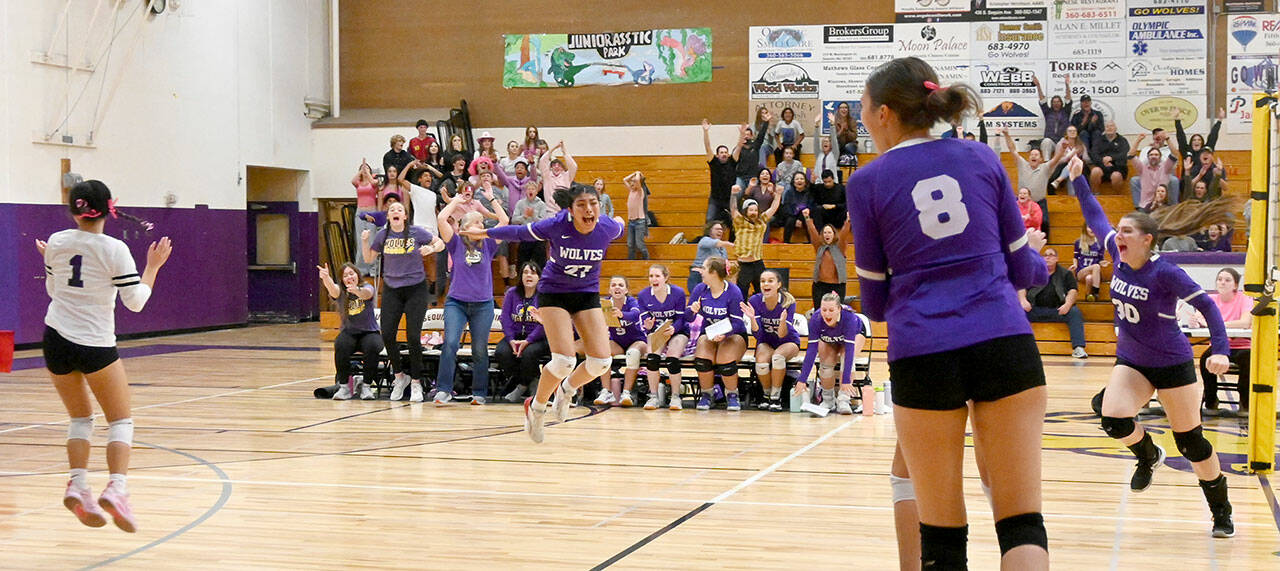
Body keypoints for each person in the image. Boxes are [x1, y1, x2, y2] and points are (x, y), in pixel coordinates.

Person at [848, 57, 1051, 569]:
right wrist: (1036, 261)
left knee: (941, 536)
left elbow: (874, 303)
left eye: (865, 110)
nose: (864, 119)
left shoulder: (867, 182)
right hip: (1003, 339)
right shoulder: (981, 158)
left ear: (887, 113)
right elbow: (1022, 269)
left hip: (923, 351)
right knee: (1022, 523)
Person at [1069, 154, 1236, 537]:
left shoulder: (1166, 272)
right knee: (1112, 418)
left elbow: (1208, 307)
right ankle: (1148, 454)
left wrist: (1222, 348)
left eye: (1127, 231)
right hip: (1132, 360)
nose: (1118, 235)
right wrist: (1079, 180)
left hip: (1172, 363)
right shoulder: (1118, 251)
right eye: (1120, 230)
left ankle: (1221, 510)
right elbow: (1095, 216)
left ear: (1147, 240)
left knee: (1191, 443)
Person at [37, 180, 171, 533]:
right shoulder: (115, 249)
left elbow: (53, 288)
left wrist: (52, 259)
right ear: (110, 207)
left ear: (72, 209)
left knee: (81, 418)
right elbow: (136, 301)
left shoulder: (56, 242)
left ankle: (78, 485)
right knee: (120, 420)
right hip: (93, 343)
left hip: (55, 339)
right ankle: (117, 488)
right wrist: (153, 266)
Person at [466, 184, 624, 442]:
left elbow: (620, 222)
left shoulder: (608, 227)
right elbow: (518, 233)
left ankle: (568, 388)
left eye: (593, 203)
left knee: (601, 362)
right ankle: (536, 408)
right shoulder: (557, 225)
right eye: (581, 205)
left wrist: (620, 216)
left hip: (586, 293)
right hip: (554, 292)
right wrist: (483, 232)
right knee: (563, 361)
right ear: (570, 210)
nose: (589, 210)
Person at [361, 201, 444, 403]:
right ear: (388, 216)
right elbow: (369, 258)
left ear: (405, 216)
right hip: (391, 289)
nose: (395, 212)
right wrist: (365, 241)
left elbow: (440, 242)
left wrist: (431, 249)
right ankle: (400, 376)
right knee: (387, 334)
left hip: (415, 289)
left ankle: (416, 381)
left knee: (413, 336)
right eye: (392, 210)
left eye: (399, 209)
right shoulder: (382, 235)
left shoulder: (416, 232)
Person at [433, 187, 508, 405]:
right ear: (465, 227)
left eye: (482, 224)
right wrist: (456, 200)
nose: (482, 227)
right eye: (478, 223)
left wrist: (491, 197)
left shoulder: (489, 245)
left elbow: (504, 220)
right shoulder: (455, 242)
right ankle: (443, 390)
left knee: (479, 348)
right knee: (450, 343)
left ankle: (479, 392)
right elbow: (441, 218)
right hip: (456, 303)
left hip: (483, 305)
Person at [1183, 268, 1253, 411]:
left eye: (1227, 280)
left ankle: (1245, 402)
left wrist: (1216, 323)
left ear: (1235, 285)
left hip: (1241, 345)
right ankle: (1211, 400)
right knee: (1204, 359)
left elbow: (1245, 322)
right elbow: (1200, 320)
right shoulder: (1210, 300)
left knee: (1248, 360)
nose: (1222, 283)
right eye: (1220, 279)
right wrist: (1194, 322)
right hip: (1218, 346)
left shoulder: (1245, 299)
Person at [686, 257, 748, 411]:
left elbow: (738, 322)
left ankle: (732, 395)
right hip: (709, 333)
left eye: (704, 268)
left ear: (713, 272)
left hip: (733, 334)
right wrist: (692, 311)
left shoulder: (733, 291)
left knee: (724, 360)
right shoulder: (700, 289)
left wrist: (725, 335)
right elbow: (687, 318)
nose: (701, 272)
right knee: (702, 359)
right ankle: (707, 394)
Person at [794, 293, 868, 415]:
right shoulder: (816, 319)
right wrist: (802, 379)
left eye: (831, 310)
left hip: (855, 334)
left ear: (839, 309)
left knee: (846, 357)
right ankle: (828, 400)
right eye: (824, 310)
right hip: (829, 337)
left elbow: (849, 351)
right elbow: (811, 351)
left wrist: (845, 381)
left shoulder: (849, 318)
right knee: (826, 364)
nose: (827, 314)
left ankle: (844, 400)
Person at [319, 263, 382, 400]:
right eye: (345, 275)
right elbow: (333, 289)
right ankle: (344, 387)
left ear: (357, 275)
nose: (349, 277)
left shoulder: (366, 287)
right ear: (342, 280)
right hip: (349, 332)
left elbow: (367, 294)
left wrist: (356, 291)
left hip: (369, 332)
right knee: (340, 345)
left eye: (351, 274)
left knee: (372, 347)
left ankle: (366, 386)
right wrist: (326, 278)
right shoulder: (341, 292)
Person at [742, 270, 800, 412]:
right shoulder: (755, 301)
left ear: (779, 284)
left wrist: (782, 322)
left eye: (770, 280)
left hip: (788, 340)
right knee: (761, 361)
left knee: (778, 357)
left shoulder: (788, 301)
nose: (765, 284)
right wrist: (752, 318)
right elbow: (757, 334)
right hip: (766, 340)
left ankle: (776, 397)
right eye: (763, 281)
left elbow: (782, 334)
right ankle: (766, 394)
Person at [1018, 248, 1088, 359]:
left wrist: (1067, 305)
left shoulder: (1066, 273)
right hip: (1034, 309)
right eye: (1045, 255)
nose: (1047, 257)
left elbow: (1073, 291)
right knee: (1017, 312)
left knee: (1074, 312)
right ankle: (1017, 349)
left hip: (1058, 310)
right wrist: (1023, 301)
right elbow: (1021, 287)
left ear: (1057, 258)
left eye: (1051, 255)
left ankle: (1078, 348)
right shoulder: (1033, 272)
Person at [637, 265, 689, 410]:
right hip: (657, 331)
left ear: (665, 278)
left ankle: (675, 396)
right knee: (652, 358)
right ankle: (653, 396)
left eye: (657, 276)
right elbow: (645, 320)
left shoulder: (677, 293)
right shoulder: (643, 295)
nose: (653, 279)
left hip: (677, 331)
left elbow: (681, 318)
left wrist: (674, 329)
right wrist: (648, 326)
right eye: (651, 276)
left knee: (672, 359)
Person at [498, 262, 550, 403]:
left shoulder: (544, 295)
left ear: (539, 277)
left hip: (537, 338)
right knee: (502, 352)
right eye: (526, 272)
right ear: (520, 276)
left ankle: (522, 386)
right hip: (515, 336)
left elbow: (544, 323)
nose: (529, 276)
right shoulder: (512, 293)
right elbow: (505, 318)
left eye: (533, 273)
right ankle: (531, 380)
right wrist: (511, 340)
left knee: (529, 353)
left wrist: (528, 341)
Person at [596, 276, 648, 407]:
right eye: (613, 285)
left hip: (637, 340)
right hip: (617, 342)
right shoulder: (605, 304)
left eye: (620, 285)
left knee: (633, 354)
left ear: (626, 290)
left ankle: (626, 392)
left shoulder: (631, 302)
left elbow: (635, 315)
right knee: (602, 350)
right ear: (609, 290)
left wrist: (621, 314)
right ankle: (606, 391)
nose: (617, 287)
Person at [1000, 127, 1061, 236]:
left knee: (1045, 223)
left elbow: (1056, 159)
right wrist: (1006, 134)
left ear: (1041, 159)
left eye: (1036, 155)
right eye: (1031, 154)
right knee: (1011, 222)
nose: (1033, 156)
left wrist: (1063, 149)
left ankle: (1044, 249)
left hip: (1039, 202)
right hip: (1021, 202)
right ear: (1028, 158)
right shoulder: (1022, 164)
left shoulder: (1045, 167)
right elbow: (1012, 150)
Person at [730, 184, 782, 297]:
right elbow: (733, 209)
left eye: (755, 210)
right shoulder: (740, 222)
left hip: (758, 262)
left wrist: (778, 195)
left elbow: (773, 208)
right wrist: (733, 194)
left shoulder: (761, 221)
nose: (753, 212)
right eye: (751, 210)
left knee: (763, 290)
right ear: (746, 211)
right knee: (742, 292)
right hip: (743, 264)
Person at [802, 209, 851, 307]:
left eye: (829, 232)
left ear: (834, 234)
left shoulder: (840, 247)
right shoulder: (819, 247)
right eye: (825, 232)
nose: (827, 235)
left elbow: (844, 234)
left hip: (837, 286)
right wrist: (807, 218)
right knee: (819, 310)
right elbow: (812, 232)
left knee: (836, 311)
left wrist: (848, 220)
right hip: (820, 285)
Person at [702, 119, 740, 224]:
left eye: (725, 152)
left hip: (730, 199)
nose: (724, 154)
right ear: (717, 155)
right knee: (709, 220)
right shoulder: (714, 162)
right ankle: (708, 240)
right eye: (721, 152)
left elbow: (739, 147)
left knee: (734, 222)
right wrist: (705, 131)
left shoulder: (732, 162)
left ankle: (733, 241)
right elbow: (707, 147)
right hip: (715, 199)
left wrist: (741, 134)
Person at [1129, 129, 1181, 205]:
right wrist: (1153, 151)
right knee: (1134, 180)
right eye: (1155, 135)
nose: (1158, 136)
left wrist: (1158, 152)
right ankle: (1139, 207)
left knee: (1174, 180)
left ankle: (1172, 206)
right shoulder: (1146, 149)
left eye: (1160, 135)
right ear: (1153, 137)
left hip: (1165, 176)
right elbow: (1141, 165)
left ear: (1164, 138)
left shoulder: (1169, 149)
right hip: (1148, 176)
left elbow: (1173, 165)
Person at [351, 159, 381, 276]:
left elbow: (374, 183)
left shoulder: (374, 181)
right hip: (360, 212)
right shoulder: (358, 183)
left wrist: (367, 172)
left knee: (372, 240)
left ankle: (373, 269)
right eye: (363, 169)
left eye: (367, 168)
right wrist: (361, 171)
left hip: (371, 212)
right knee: (360, 241)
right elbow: (352, 181)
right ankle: (361, 270)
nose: (364, 170)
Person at [512, 179, 551, 268]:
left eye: (533, 189)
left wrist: (533, 216)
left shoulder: (542, 204)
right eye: (528, 189)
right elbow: (514, 220)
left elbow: (544, 223)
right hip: (525, 236)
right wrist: (524, 217)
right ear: (526, 191)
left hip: (538, 237)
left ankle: (540, 281)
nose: (530, 191)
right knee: (522, 263)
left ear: (536, 192)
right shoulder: (520, 203)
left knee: (540, 264)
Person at [1034, 73, 1071, 158]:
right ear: (1052, 103)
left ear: (1061, 103)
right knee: (1046, 141)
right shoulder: (1048, 112)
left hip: (1061, 140)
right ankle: (1047, 163)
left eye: (1058, 101)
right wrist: (1038, 86)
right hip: (1050, 140)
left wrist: (1067, 85)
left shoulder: (1066, 111)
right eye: (1054, 102)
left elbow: (1068, 99)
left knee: (1063, 141)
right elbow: (1042, 99)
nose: (1056, 103)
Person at [688, 220, 731, 292]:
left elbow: (724, 262)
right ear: (710, 231)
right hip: (698, 275)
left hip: (712, 276)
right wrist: (731, 244)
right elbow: (715, 243)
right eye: (717, 229)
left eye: (721, 229)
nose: (720, 231)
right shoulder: (704, 240)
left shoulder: (723, 248)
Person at [1089, 121, 1130, 190]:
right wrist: (1103, 161)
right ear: (1104, 129)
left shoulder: (1122, 140)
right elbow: (1094, 154)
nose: (1109, 128)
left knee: (1115, 176)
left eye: (1111, 126)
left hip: (1118, 168)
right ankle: (1095, 194)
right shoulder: (1098, 140)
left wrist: (1111, 158)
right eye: (1107, 126)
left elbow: (1124, 154)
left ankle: (1117, 198)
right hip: (1102, 166)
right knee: (1095, 171)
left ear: (1116, 128)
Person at [1071, 224, 1107, 301]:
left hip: (1095, 274)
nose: (1092, 229)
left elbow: (1100, 259)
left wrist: (1103, 263)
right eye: (1089, 227)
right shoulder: (1078, 242)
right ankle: (1096, 292)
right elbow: (1075, 257)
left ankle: (1089, 296)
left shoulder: (1100, 244)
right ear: (1085, 229)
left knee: (1089, 278)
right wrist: (1075, 265)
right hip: (1081, 271)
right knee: (1096, 266)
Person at [538, 141, 578, 210]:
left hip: (564, 211)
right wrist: (554, 148)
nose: (556, 167)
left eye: (559, 165)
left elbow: (573, 166)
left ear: (562, 168)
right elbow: (542, 161)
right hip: (550, 211)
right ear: (550, 167)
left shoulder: (567, 177)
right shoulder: (547, 176)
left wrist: (564, 152)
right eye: (554, 165)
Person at [624, 171, 648, 259]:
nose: (631, 183)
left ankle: (646, 260)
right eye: (631, 181)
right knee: (630, 244)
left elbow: (638, 180)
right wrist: (634, 173)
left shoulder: (640, 191)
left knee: (640, 244)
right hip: (631, 222)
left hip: (639, 222)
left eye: (634, 182)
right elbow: (624, 179)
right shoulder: (631, 191)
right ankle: (631, 261)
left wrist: (638, 174)